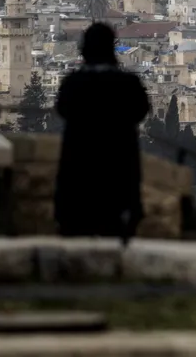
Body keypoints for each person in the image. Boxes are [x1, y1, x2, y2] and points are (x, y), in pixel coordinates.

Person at [54, 22, 151, 242]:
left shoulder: (74, 83)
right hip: (118, 164)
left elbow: (62, 110)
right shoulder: (128, 83)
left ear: (84, 49)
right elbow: (140, 111)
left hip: (80, 164)